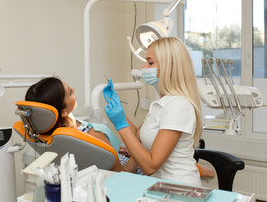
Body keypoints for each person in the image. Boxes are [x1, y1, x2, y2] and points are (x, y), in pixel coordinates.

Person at [103, 37, 203, 185]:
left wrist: (120, 124)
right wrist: (118, 110)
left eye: (150, 62)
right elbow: (138, 136)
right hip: (159, 186)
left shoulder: (178, 106)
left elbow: (150, 165)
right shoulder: (161, 103)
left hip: (180, 188)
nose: (144, 67)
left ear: (170, 66)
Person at [25, 77, 136, 172]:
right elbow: (123, 173)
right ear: (63, 111)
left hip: (122, 154)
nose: (73, 89)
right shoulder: (94, 136)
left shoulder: (47, 137)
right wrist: (137, 151)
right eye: (69, 92)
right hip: (129, 172)